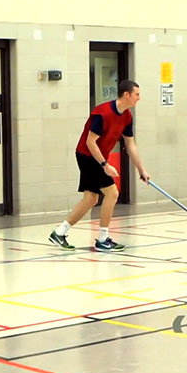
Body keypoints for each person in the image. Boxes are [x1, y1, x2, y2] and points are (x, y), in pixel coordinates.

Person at [49, 80, 150, 252]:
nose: (139, 98)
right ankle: (102, 239)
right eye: (137, 95)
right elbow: (90, 142)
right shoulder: (102, 113)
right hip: (88, 155)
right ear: (126, 95)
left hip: (97, 157)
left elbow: (130, 145)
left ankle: (60, 232)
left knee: (91, 199)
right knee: (112, 193)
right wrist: (104, 165)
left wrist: (141, 170)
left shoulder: (127, 116)